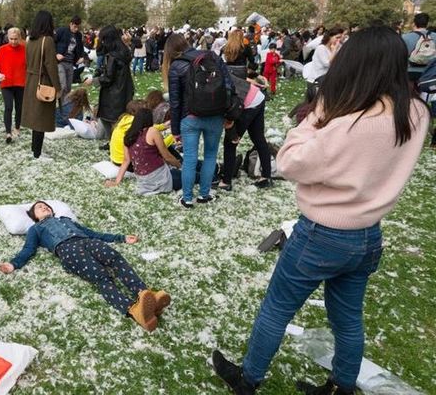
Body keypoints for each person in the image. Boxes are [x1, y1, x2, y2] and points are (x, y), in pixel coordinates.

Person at [212, 26, 430, 395]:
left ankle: (248, 379)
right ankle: (341, 387)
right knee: (348, 320)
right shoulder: (416, 114)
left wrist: (317, 115)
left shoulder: (350, 124)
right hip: (368, 235)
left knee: (277, 308)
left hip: (322, 233)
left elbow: (291, 162)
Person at [0, 200, 170, 332]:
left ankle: (146, 295)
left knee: (115, 258)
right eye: (39, 208)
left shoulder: (66, 219)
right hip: (67, 249)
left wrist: (121, 237)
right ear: (34, 216)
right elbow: (28, 249)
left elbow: (93, 233)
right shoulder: (35, 229)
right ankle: (134, 310)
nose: (44, 207)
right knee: (100, 276)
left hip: (87, 241)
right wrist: (13, 264)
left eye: (46, 206)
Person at [163, 33, 232, 208]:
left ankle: (187, 198)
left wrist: (175, 129)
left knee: (190, 159)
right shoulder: (212, 57)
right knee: (210, 156)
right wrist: (229, 114)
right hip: (215, 115)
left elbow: (175, 102)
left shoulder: (176, 67)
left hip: (190, 117)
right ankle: (204, 194)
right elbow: (228, 85)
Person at [107, 108, 182, 195]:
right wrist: (180, 166)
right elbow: (167, 156)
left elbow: (126, 161)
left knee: (189, 170)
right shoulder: (152, 131)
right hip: (161, 177)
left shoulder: (128, 135)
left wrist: (117, 182)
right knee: (192, 176)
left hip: (144, 181)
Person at [218, 73, 273, 191]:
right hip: (256, 95)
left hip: (247, 103)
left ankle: (226, 181)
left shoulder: (212, 83)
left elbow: (230, 112)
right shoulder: (218, 68)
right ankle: (266, 177)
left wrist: (232, 133)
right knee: (258, 138)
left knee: (230, 143)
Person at [83, 25, 135, 147]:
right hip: (124, 89)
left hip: (114, 92)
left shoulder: (113, 56)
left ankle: (114, 142)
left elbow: (108, 78)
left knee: (110, 119)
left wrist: (94, 80)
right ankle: (114, 142)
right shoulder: (124, 51)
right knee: (117, 118)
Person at [21, 10, 61, 160]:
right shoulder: (47, 40)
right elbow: (51, 66)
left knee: (35, 117)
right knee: (41, 118)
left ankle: (35, 149)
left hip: (31, 80)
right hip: (44, 81)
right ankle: (37, 153)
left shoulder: (30, 40)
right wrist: (57, 87)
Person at [0, 27, 26, 143]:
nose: (13, 41)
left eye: (16, 39)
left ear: (20, 38)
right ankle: (8, 132)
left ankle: (17, 127)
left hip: (20, 82)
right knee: (8, 107)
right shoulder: (2, 49)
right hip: (6, 83)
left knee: (19, 107)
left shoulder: (24, 49)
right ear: (7, 38)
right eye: (11, 39)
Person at [54, 16, 85, 111]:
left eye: (78, 27)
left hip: (71, 63)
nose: (76, 29)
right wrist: (56, 54)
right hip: (60, 62)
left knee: (68, 87)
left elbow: (80, 48)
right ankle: (57, 105)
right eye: (75, 26)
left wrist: (81, 57)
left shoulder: (78, 35)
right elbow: (52, 43)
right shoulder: (62, 31)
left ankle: (64, 107)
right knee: (62, 85)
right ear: (71, 24)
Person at [402, 12, 436, 81]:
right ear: (427, 24)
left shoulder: (405, 37)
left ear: (414, 23)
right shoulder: (434, 36)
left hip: (410, 72)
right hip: (430, 72)